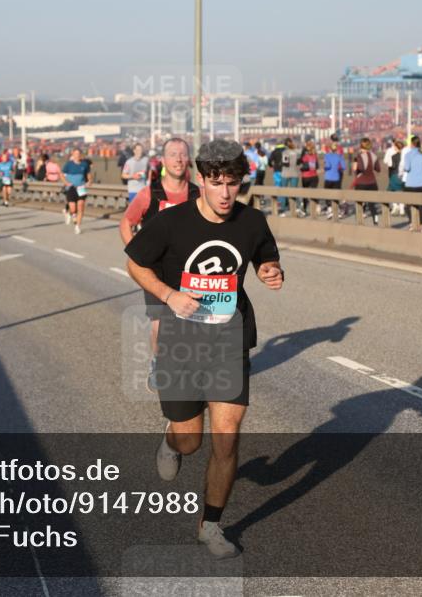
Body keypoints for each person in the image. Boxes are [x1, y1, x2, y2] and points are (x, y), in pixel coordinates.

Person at [124, 139, 283, 558]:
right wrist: (167, 294)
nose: (226, 192)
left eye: (233, 182)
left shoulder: (252, 221)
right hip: (180, 340)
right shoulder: (171, 223)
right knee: (191, 441)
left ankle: (210, 525)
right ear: (200, 181)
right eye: (217, 183)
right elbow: (136, 262)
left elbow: (266, 258)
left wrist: (270, 271)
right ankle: (172, 439)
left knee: (227, 436)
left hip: (230, 338)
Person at [119, 138, 197, 391]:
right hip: (157, 271)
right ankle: (158, 362)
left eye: (182, 154)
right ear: (163, 161)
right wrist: (137, 255)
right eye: (172, 154)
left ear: (188, 160)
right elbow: (126, 222)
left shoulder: (199, 194)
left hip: (191, 270)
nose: (178, 159)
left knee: (195, 322)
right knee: (160, 324)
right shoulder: (149, 193)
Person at [402, 136, 422, 231]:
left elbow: (407, 168)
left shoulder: (408, 154)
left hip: (411, 183)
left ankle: (412, 223)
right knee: (421, 206)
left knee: (407, 205)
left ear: (412, 144)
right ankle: (421, 226)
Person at [62, 147, 90, 234]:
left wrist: (89, 181)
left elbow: (89, 174)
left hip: (81, 188)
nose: (77, 156)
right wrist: (66, 183)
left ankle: (77, 226)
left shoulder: (85, 164)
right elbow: (61, 174)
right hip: (71, 188)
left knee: (81, 206)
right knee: (73, 208)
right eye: (75, 154)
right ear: (73, 155)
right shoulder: (68, 164)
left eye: (78, 154)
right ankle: (71, 214)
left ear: (80, 155)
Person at [352, 137, 381, 223]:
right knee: (372, 204)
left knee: (359, 203)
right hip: (372, 182)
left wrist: (355, 160)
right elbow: (378, 169)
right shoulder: (374, 156)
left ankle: (360, 222)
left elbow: (356, 169)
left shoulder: (359, 156)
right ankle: (375, 219)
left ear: (361, 145)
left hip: (361, 182)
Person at [322, 138, 346, 218]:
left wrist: (325, 168)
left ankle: (329, 209)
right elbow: (344, 167)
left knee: (327, 194)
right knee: (336, 194)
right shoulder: (339, 156)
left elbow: (327, 166)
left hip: (328, 177)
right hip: (336, 177)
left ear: (330, 149)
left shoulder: (327, 155)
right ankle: (337, 211)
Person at [278, 137, 301, 216]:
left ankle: (283, 210)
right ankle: (296, 208)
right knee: (294, 192)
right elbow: (299, 162)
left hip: (285, 173)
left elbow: (285, 163)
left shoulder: (285, 152)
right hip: (294, 173)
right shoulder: (296, 152)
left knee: (284, 191)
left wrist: (280, 163)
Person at [299, 138, 320, 217]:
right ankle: (317, 206)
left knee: (305, 193)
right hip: (314, 176)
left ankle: (304, 209)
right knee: (314, 192)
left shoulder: (305, 157)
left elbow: (300, 162)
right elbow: (317, 166)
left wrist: (301, 168)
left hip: (306, 176)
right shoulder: (315, 156)